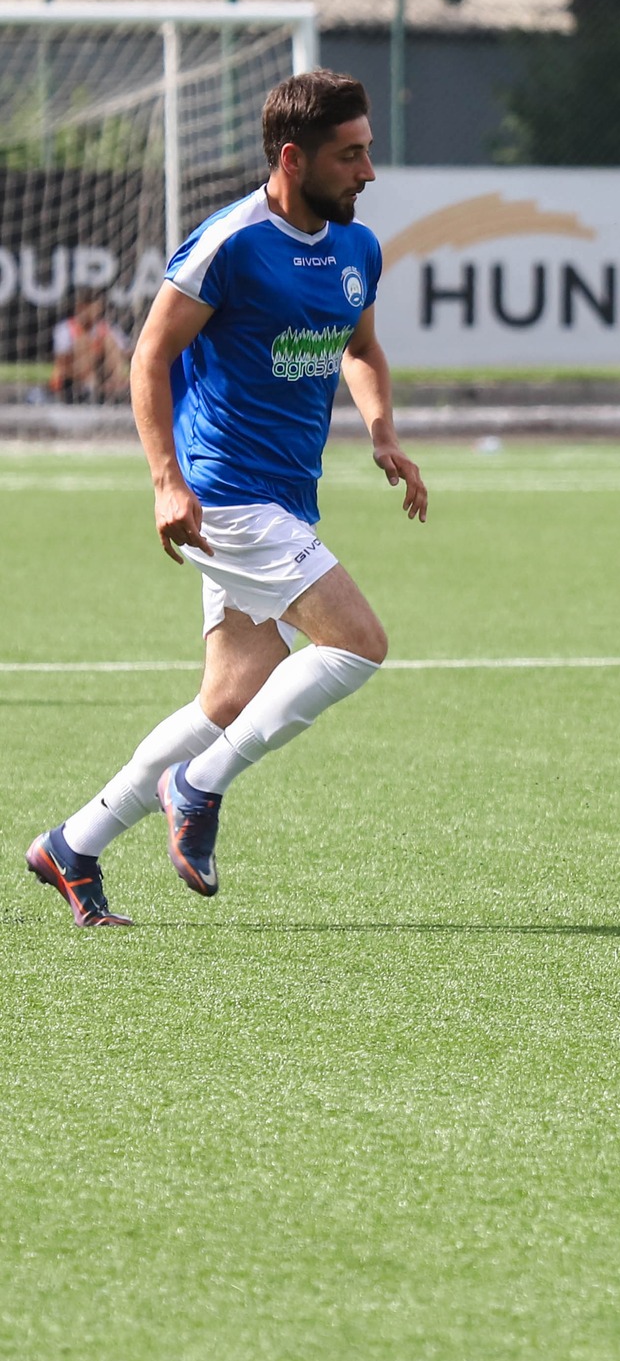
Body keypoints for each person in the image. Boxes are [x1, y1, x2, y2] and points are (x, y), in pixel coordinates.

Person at [24, 70, 427, 928]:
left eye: (366, 150)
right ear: (293, 158)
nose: (368, 171)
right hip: (224, 493)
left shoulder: (357, 248)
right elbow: (148, 358)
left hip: (283, 497)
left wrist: (383, 432)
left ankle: (73, 845)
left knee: (233, 696)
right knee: (357, 644)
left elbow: (361, 349)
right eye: (349, 154)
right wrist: (166, 480)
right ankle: (197, 787)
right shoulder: (230, 242)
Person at [50, 289, 130, 402]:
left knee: (109, 341)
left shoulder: (105, 328)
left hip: (101, 379)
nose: (97, 311)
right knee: (83, 341)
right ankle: (89, 384)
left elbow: (126, 352)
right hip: (70, 383)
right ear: (81, 308)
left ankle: (114, 384)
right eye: (93, 307)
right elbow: (62, 365)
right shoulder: (66, 329)